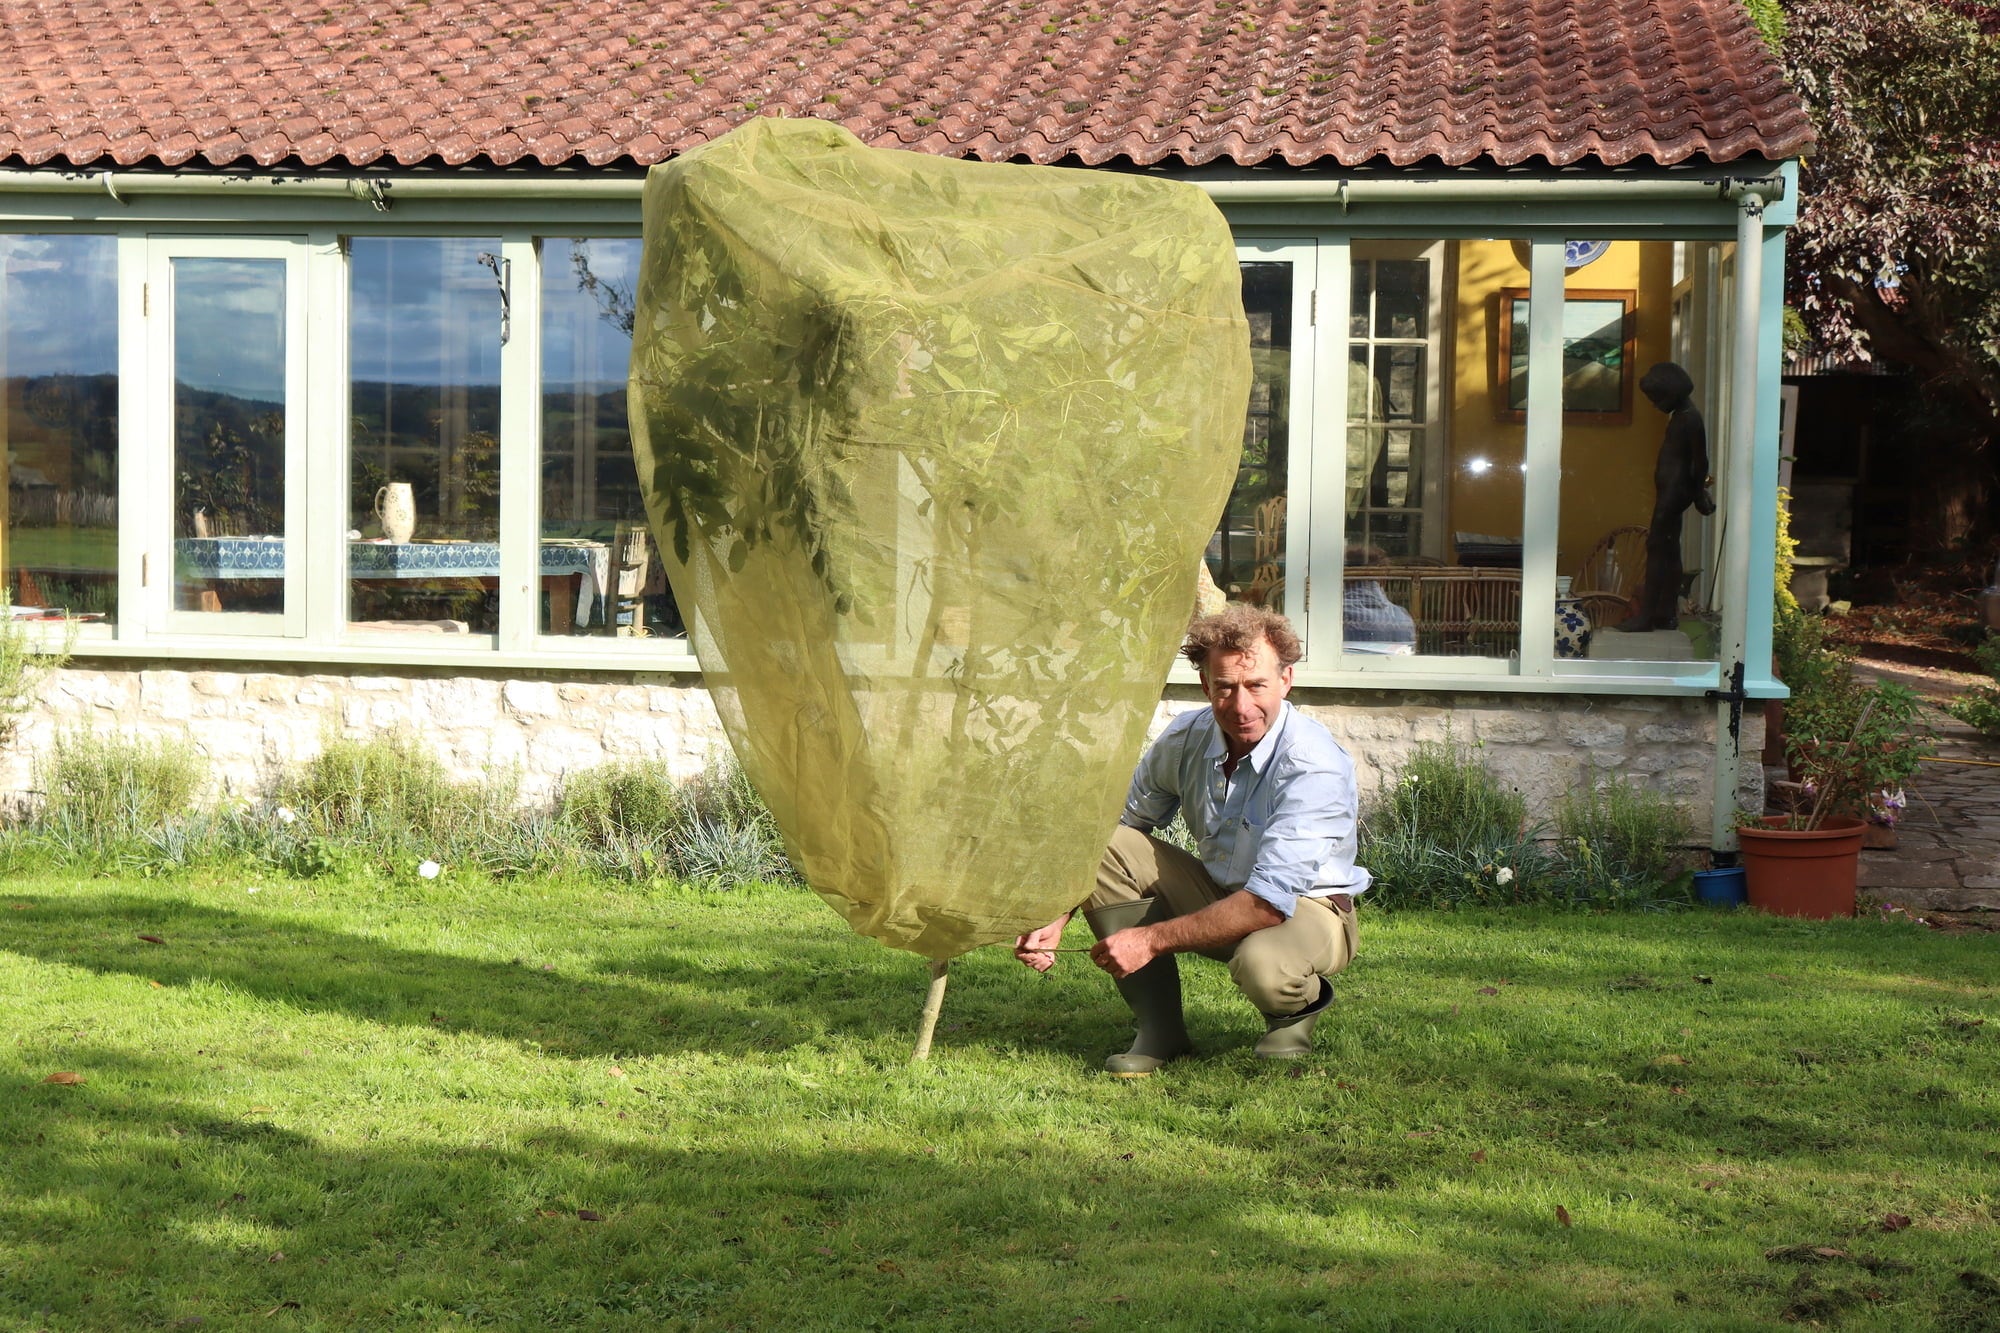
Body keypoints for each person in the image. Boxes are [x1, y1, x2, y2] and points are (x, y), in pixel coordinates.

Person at [1014, 605, 1370, 1075]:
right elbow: (1126, 822)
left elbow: (1267, 904)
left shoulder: (1312, 764)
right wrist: (1057, 915)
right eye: (1225, 687)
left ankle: (1296, 1009)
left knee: (1263, 965)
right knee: (1108, 844)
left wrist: (1148, 940)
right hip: (1222, 891)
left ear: (1286, 680)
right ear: (1205, 686)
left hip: (1307, 907)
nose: (1240, 706)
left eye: (1256, 685)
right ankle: (1161, 1032)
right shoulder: (1187, 737)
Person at [1616, 361, 1715, 632]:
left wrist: (1698, 494)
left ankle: (1647, 616)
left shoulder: (1690, 418)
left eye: (1656, 398)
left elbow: (1700, 462)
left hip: (1674, 494)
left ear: (1671, 391)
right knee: (1669, 550)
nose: (1654, 404)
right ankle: (1665, 612)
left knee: (1657, 548)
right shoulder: (1681, 417)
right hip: (1671, 492)